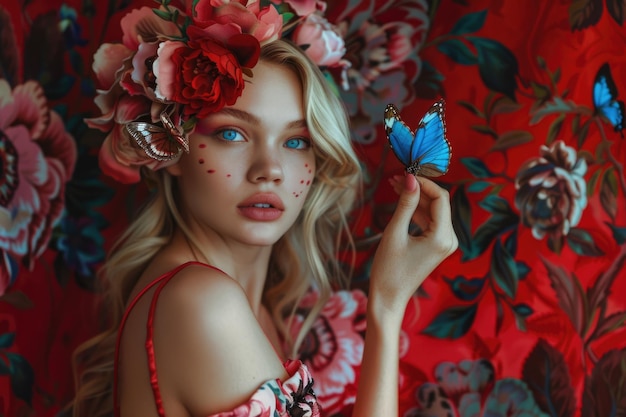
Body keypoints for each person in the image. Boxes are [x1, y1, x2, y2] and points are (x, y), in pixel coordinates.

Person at [71, 2, 458, 416]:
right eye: (232, 133)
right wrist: (386, 305)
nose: (269, 170)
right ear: (172, 150)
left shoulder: (254, 306)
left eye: (296, 141)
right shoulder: (203, 304)